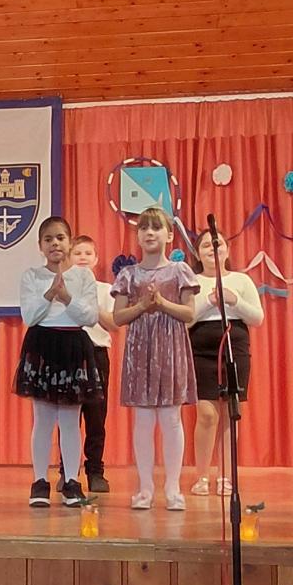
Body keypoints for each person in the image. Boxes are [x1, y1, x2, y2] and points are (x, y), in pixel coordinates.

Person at [112, 207, 198, 511]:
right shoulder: (128, 274)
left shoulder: (179, 271)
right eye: (144, 228)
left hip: (171, 347)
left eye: (156, 228)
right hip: (140, 350)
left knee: (171, 418)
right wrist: (142, 307)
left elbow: (189, 313)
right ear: (137, 236)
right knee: (144, 419)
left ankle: (173, 487)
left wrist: (161, 303)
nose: (149, 233)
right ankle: (145, 488)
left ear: (169, 235)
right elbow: (118, 317)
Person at [15, 216, 103, 508]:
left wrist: (66, 297)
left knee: (69, 419)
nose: (55, 244)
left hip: (73, 345)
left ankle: (72, 481)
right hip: (42, 344)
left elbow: (89, 316)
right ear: (40, 245)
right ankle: (40, 481)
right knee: (42, 419)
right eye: (48, 239)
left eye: (60, 238)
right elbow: (30, 316)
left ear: (70, 241)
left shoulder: (83, 276)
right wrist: (49, 295)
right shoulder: (31, 275)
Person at [187, 228, 263, 497]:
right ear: (198, 253)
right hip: (200, 350)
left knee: (231, 414)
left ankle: (226, 477)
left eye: (217, 244)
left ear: (227, 250)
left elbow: (257, 318)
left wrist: (234, 300)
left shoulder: (241, 280)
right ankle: (202, 476)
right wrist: (209, 301)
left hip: (234, 349)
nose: (212, 248)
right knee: (206, 414)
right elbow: (185, 319)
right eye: (206, 245)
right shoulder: (192, 282)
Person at [70, 235, 116, 493]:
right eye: (78, 253)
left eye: (88, 253)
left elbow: (114, 324)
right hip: (69, 354)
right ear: (69, 258)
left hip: (97, 354)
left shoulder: (106, 289)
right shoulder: (63, 287)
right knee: (69, 416)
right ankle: (68, 471)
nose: (83, 258)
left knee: (96, 417)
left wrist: (92, 306)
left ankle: (95, 470)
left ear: (96, 259)